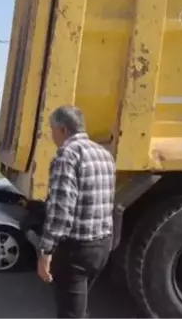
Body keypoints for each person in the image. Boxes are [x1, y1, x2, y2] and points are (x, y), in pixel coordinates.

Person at [36, 106, 116, 319]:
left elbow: (61, 209)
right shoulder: (104, 154)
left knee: (71, 312)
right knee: (79, 306)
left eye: (51, 129)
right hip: (102, 245)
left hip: (77, 250)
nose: (51, 135)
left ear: (62, 129)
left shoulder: (67, 155)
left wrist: (45, 251)